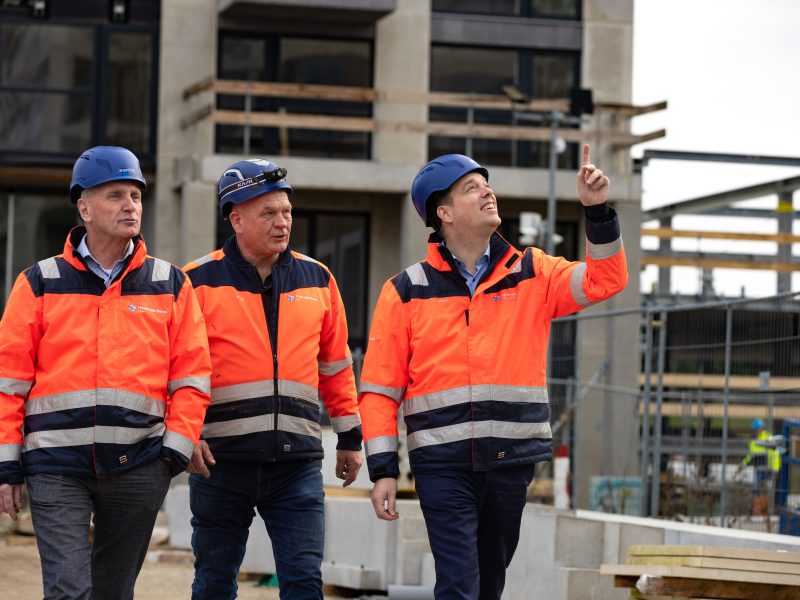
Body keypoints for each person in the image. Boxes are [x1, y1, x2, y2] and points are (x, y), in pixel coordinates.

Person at [359, 145, 628, 599]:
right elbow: (380, 391)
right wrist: (383, 469)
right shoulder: (405, 292)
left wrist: (597, 211)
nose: (488, 193)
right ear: (442, 212)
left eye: (486, 185)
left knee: (488, 587)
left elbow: (606, 280)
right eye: (471, 188)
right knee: (460, 585)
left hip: (510, 462)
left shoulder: (532, 273)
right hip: (442, 466)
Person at [0, 146, 212, 599]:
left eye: (135, 195)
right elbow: (8, 384)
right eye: (115, 195)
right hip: (56, 467)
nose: (130, 205)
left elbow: (192, 376)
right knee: (68, 590)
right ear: (84, 207)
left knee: (115, 592)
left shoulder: (170, 283)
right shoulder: (39, 282)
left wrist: (171, 455)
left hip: (139, 466)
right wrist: (7, 466)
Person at [183, 158, 363, 600]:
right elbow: (174, 370)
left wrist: (350, 438)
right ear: (236, 218)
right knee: (213, 583)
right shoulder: (194, 282)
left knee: (303, 583)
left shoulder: (318, 279)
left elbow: (335, 366)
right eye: (269, 213)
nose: (283, 222)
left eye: (286, 212)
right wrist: (185, 435)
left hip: (296, 463)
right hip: (220, 461)